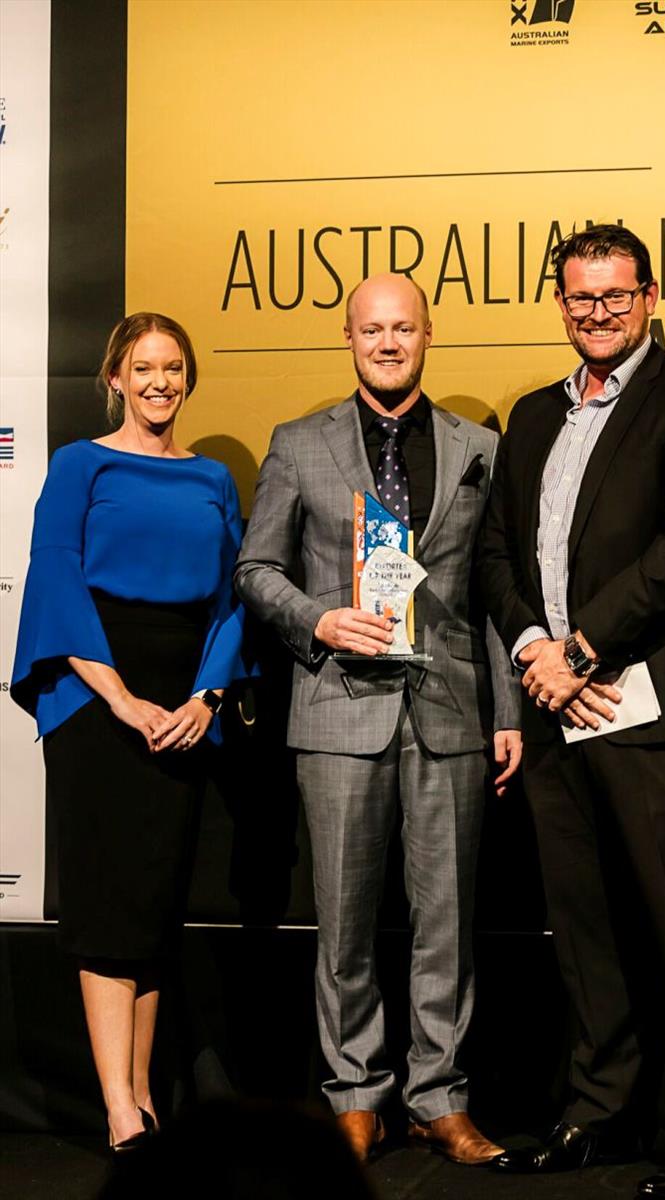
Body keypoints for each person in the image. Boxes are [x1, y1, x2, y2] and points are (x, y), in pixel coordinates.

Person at [480, 225, 665, 1199]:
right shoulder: (529, 415)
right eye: (578, 297)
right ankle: (597, 1112)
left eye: (613, 295)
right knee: (584, 929)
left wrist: (580, 649)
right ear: (560, 303)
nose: (595, 312)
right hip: (555, 708)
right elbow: (495, 555)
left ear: (647, 297)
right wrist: (531, 652)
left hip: (654, 704)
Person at [234, 273, 523, 1168]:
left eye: (403, 328)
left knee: (449, 922)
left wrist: (506, 710)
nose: (388, 343)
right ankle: (354, 1097)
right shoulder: (297, 443)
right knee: (346, 923)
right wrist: (318, 618)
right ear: (350, 340)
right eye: (372, 330)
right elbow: (255, 571)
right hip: (338, 711)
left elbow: (490, 590)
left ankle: (440, 1097)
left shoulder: (479, 444)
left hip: (450, 711)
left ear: (427, 334)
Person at [11, 313, 248, 1153]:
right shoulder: (80, 464)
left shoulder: (214, 477)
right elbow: (57, 579)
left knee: (152, 910)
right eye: (143, 367)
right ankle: (118, 1108)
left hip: (181, 707)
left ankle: (144, 1097)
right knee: (111, 906)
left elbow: (232, 599)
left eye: (173, 367)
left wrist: (206, 699)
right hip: (98, 700)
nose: (159, 382)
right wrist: (119, 699)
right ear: (114, 376)